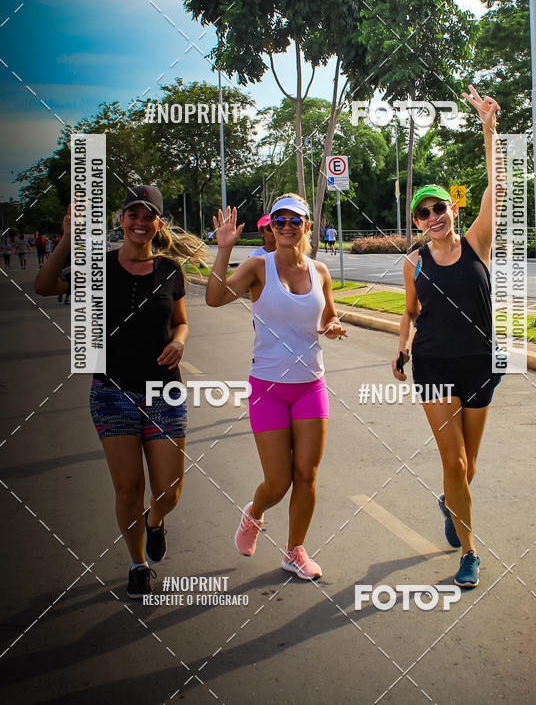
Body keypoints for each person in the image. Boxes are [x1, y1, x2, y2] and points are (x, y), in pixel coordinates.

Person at [35, 186, 208, 599]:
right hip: (112, 393)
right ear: (120, 219)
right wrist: (66, 238)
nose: (140, 222)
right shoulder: (96, 268)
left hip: (164, 392)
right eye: (133, 214)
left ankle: (154, 522)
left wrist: (181, 341)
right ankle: (137, 564)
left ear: (158, 224)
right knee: (128, 488)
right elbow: (44, 285)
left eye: (148, 216)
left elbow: (181, 321)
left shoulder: (170, 270)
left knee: (168, 490)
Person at [392, 85, 505, 590]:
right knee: (453, 460)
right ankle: (470, 552)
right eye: (424, 213)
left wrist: (489, 128)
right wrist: (400, 349)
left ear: (452, 210)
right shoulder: (413, 263)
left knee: (470, 464)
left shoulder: (479, 242)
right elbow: (411, 313)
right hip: (434, 365)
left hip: (481, 363)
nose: (434, 216)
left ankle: (449, 501)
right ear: (416, 222)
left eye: (440, 207)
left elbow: (495, 186)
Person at [206, 193, 347, 580]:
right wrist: (223, 250)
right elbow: (214, 298)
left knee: (306, 475)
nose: (287, 227)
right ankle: (254, 513)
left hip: (310, 386)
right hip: (267, 387)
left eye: (294, 220)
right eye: (279, 221)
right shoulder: (257, 267)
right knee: (278, 481)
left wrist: (332, 328)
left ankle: (294, 551)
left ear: (306, 225)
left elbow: (328, 318)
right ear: (270, 227)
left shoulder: (320, 271)